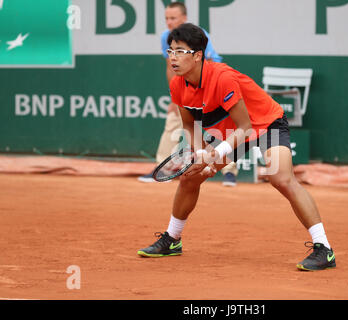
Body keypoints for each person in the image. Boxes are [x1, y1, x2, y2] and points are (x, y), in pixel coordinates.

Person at [137, 23, 336, 271]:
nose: (173, 58)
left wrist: (215, 155)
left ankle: (324, 249)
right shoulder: (178, 84)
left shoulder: (222, 78)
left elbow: (246, 126)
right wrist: (201, 156)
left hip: (264, 123)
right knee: (190, 179)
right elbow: (188, 125)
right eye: (170, 51)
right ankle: (172, 239)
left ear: (198, 55)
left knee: (281, 178)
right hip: (229, 131)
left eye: (180, 51)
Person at [138, 2, 238, 187]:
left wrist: (205, 95)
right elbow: (171, 66)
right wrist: (175, 98)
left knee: (220, 128)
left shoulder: (197, 35)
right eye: (166, 18)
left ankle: (229, 172)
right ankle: (163, 168)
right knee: (172, 121)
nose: (169, 22)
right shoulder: (165, 37)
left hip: (211, 83)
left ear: (184, 18)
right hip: (186, 85)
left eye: (173, 18)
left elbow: (206, 63)